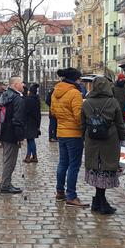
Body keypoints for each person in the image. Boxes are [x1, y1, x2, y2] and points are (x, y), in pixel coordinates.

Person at [82, 77, 125, 215]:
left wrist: (83, 137)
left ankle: (97, 200)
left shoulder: (86, 102)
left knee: (96, 169)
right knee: (105, 169)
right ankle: (102, 202)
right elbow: (120, 123)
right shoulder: (112, 102)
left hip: (92, 140)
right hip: (109, 140)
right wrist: (123, 139)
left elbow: (82, 123)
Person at [51, 68, 88, 207]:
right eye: (79, 79)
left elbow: (53, 112)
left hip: (61, 132)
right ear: (75, 79)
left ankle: (60, 192)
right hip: (74, 134)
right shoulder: (74, 93)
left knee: (63, 163)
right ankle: (71, 196)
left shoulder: (56, 91)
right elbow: (78, 116)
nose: (80, 82)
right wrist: (83, 129)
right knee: (74, 165)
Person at [0, 76, 26, 194]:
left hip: (4, 132)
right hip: (12, 134)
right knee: (10, 161)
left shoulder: (6, 95)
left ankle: (6, 183)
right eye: (21, 83)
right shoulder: (17, 99)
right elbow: (17, 120)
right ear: (15, 85)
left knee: (7, 159)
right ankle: (5, 185)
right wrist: (20, 137)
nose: (23, 84)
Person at [23, 83, 41, 163]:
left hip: (29, 121)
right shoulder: (37, 99)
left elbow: (25, 111)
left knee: (30, 140)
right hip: (35, 122)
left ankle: (33, 156)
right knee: (30, 139)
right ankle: (29, 155)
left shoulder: (28, 99)